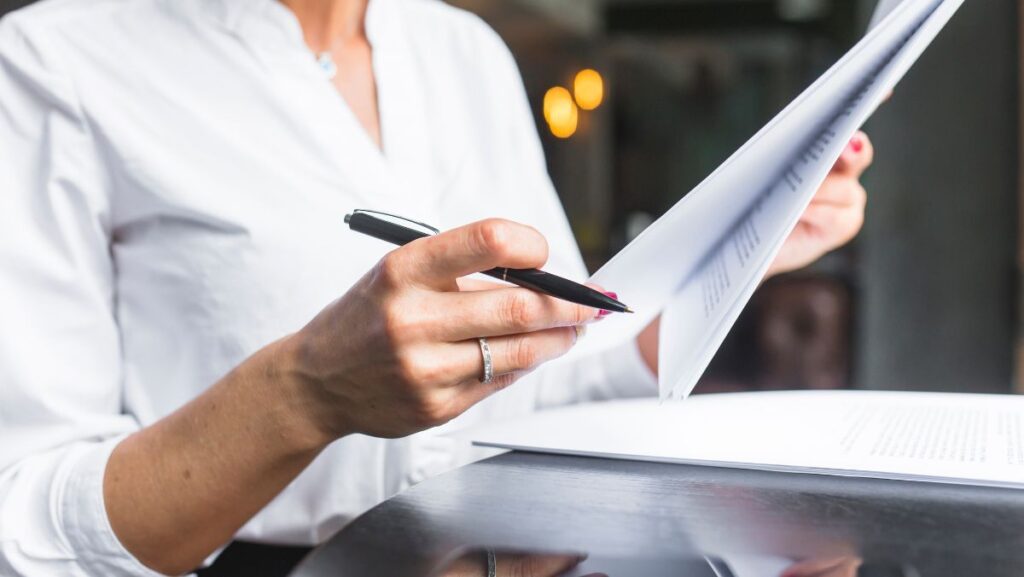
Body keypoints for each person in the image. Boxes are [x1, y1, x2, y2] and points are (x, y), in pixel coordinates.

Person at [0, 0, 873, 575]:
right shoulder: (52, 63)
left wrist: (733, 254)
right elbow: (26, 523)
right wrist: (303, 392)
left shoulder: (464, 51)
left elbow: (550, 371)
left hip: (522, 550)